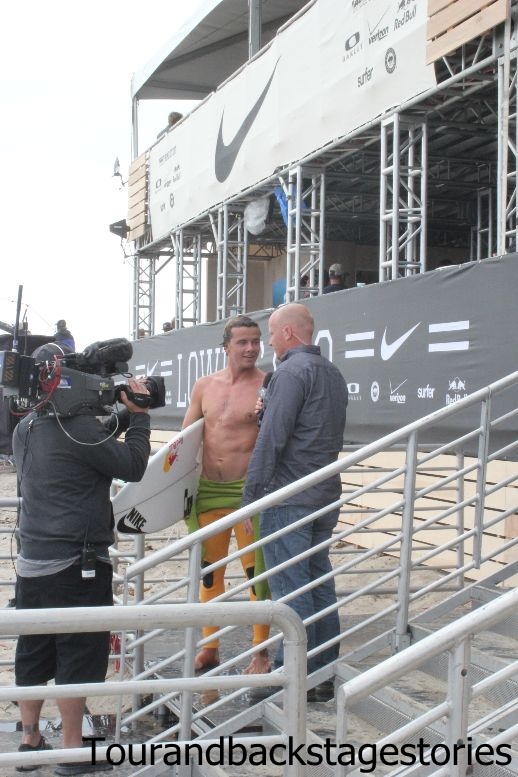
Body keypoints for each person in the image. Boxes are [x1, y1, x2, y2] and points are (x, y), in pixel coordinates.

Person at [13, 368, 151, 775]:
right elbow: (133, 464)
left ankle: (29, 738)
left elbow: (87, 444)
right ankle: (73, 751)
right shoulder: (81, 431)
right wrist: (140, 415)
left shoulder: (26, 428)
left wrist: (118, 417)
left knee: (34, 652)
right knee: (79, 656)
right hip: (78, 564)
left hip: (32, 562)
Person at [242, 303, 348, 699]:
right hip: (323, 493)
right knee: (319, 583)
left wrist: (250, 496)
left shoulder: (289, 373)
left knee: (292, 588)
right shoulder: (332, 373)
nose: (269, 342)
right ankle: (321, 673)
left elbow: (273, 439)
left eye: (271, 333)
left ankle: (292, 675)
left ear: (288, 332)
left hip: (289, 497)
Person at [182, 315, 270, 674]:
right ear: (226, 347)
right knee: (209, 573)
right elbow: (185, 438)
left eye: (256, 341)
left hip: (247, 493)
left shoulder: (267, 385)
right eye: (242, 342)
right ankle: (210, 648)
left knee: (256, 574)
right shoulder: (205, 386)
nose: (251, 348)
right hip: (207, 492)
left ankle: (260, 651)